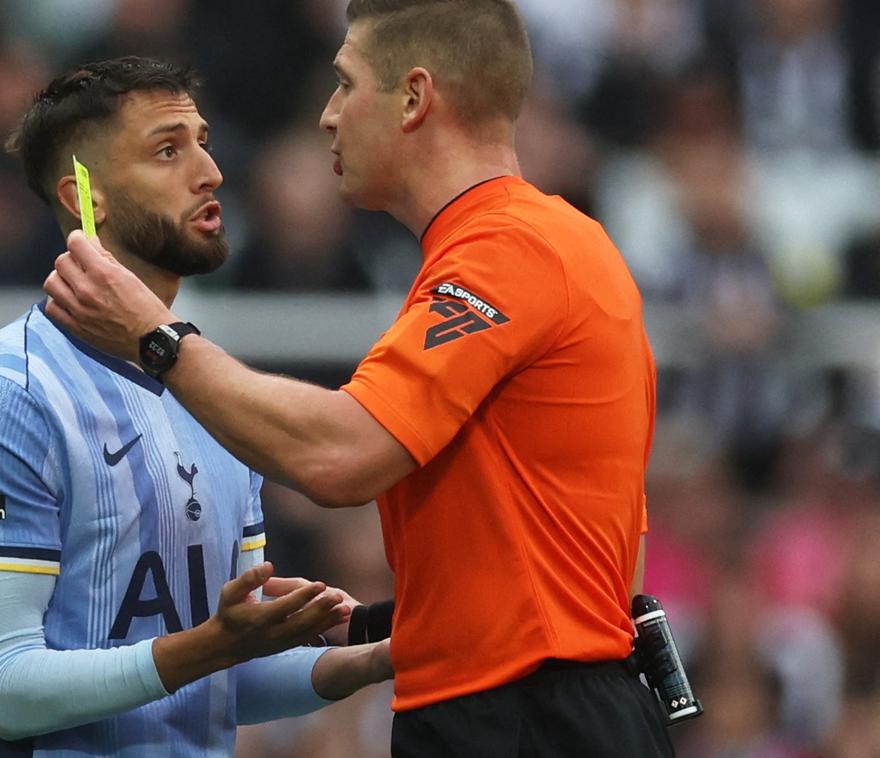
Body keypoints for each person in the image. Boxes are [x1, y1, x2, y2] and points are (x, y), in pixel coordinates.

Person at [42, 1, 675, 755]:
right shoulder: (530, 245)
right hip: (535, 707)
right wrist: (376, 626)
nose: (327, 117)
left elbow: (340, 457)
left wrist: (155, 336)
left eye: (345, 85)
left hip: (526, 719)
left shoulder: (510, 251)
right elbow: (564, 555)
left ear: (414, 98)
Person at [0, 57, 392, 757]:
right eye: (168, 149)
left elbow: (223, 677)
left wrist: (380, 657)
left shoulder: (215, 392)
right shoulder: (2, 399)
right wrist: (205, 647)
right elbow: (5, 690)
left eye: (203, 142)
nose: (210, 172)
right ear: (86, 198)